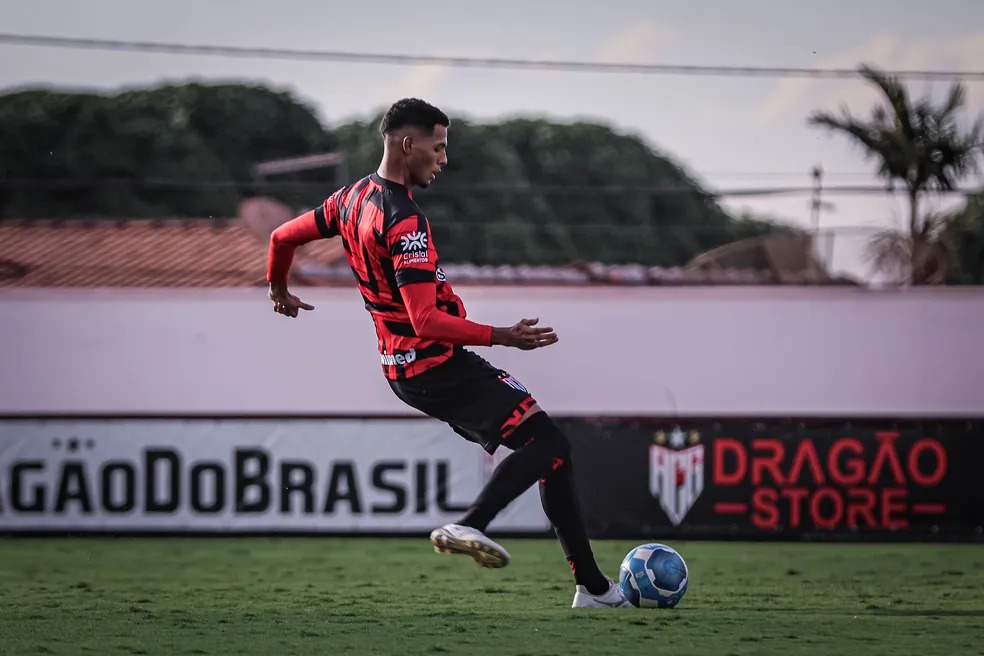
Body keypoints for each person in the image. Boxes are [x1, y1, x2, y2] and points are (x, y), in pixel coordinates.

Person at [265, 98, 629, 609]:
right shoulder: (404, 220)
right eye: (438, 148)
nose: (443, 158)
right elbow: (425, 321)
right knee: (548, 443)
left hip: (403, 368)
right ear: (407, 144)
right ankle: (471, 524)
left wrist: (278, 290)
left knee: (554, 454)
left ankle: (593, 590)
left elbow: (282, 237)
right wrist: (502, 335)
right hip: (436, 363)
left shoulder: (350, 199)